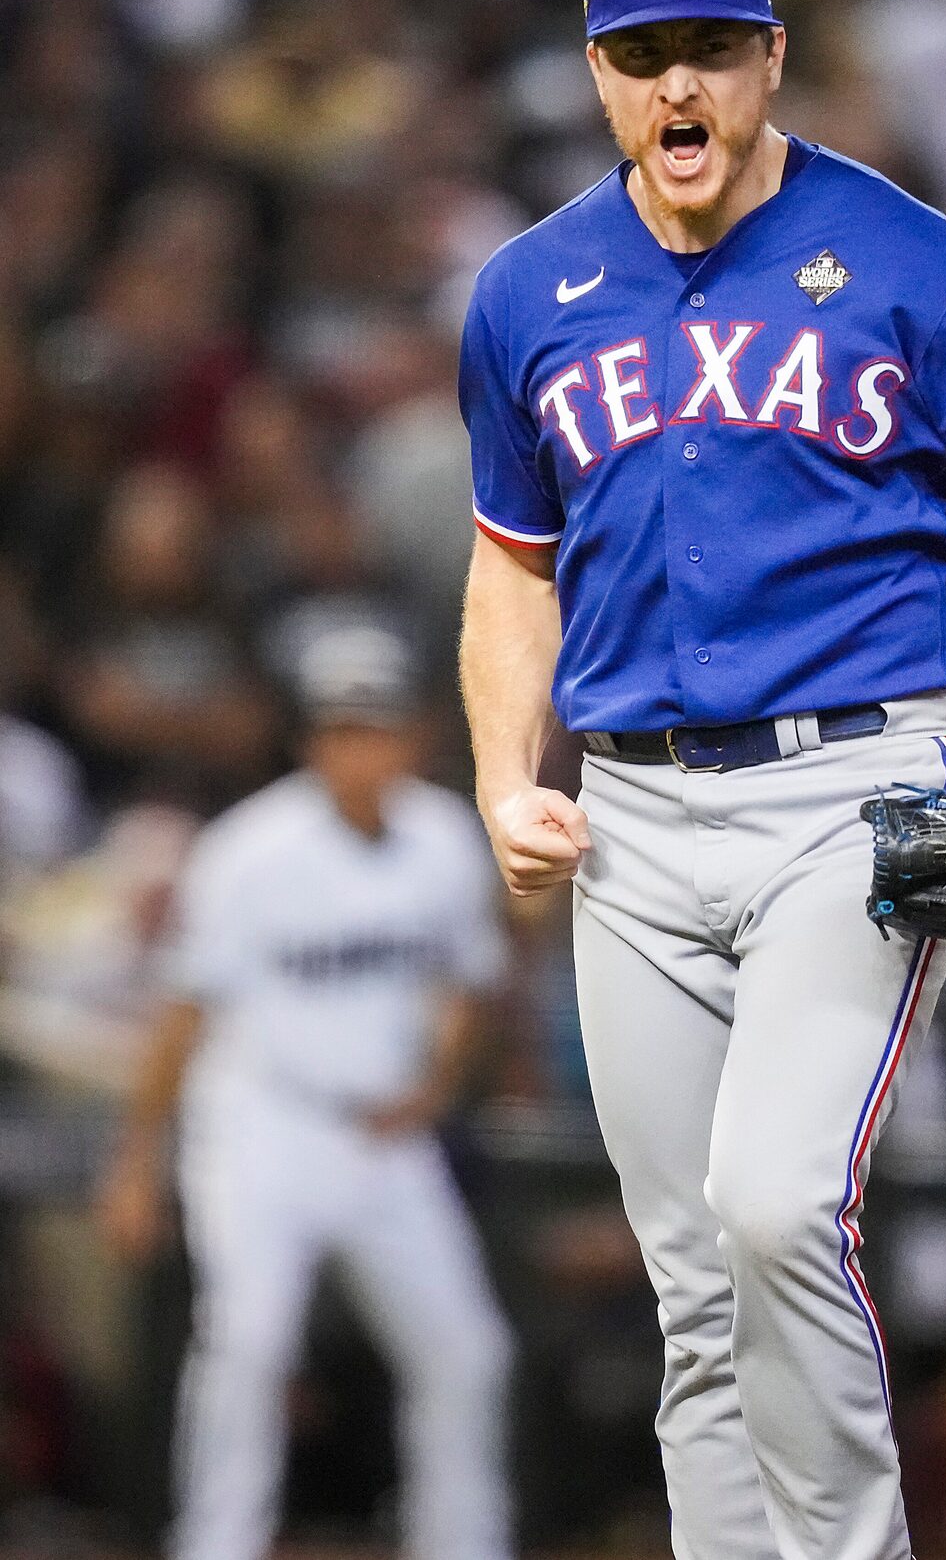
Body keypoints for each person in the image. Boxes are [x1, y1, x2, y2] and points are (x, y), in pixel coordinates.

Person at [458, 0, 946, 1560]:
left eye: (708, 49)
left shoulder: (907, 257)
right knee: (692, 1286)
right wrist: (500, 776)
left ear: (769, 59)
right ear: (596, 75)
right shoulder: (525, 290)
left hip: (858, 786)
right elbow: (504, 569)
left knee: (774, 1202)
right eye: (640, 56)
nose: (674, 85)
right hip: (627, 808)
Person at [99, 624, 514, 1560]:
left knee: (467, 1352)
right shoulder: (249, 851)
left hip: (383, 1136)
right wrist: (134, 1162)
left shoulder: (443, 838)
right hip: (262, 1125)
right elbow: (181, 1016)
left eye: (372, 723)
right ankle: (216, 1545)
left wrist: (434, 1088)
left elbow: (470, 983)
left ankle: (466, 1544)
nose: (355, 744)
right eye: (338, 725)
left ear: (411, 733)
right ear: (309, 738)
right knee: (248, 1346)